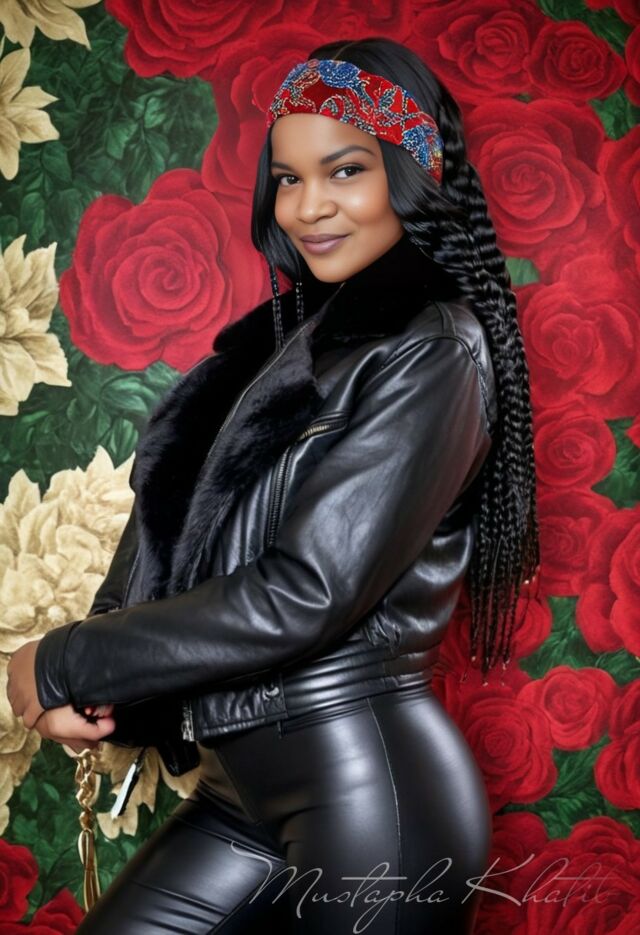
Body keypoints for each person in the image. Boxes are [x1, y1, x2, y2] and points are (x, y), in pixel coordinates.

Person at [7, 36, 540, 934]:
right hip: (234, 793)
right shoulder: (277, 348)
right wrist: (98, 685)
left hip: (371, 799)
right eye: (288, 178)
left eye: (346, 170)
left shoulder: (433, 347)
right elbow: (178, 526)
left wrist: (67, 660)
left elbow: (306, 592)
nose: (307, 206)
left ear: (415, 174)